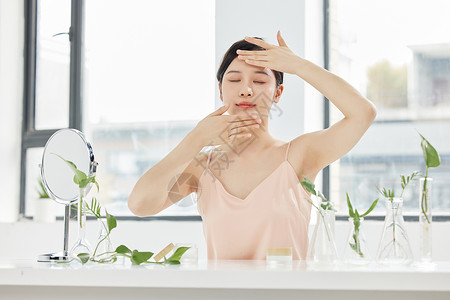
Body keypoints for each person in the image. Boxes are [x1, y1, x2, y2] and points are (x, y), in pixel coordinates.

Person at [128, 30, 377, 260]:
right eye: (234, 80)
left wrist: (298, 66)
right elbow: (139, 204)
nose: (246, 90)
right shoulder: (202, 167)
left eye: (259, 81)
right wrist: (195, 139)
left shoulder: (299, 156)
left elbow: (363, 113)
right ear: (220, 90)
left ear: (278, 93)